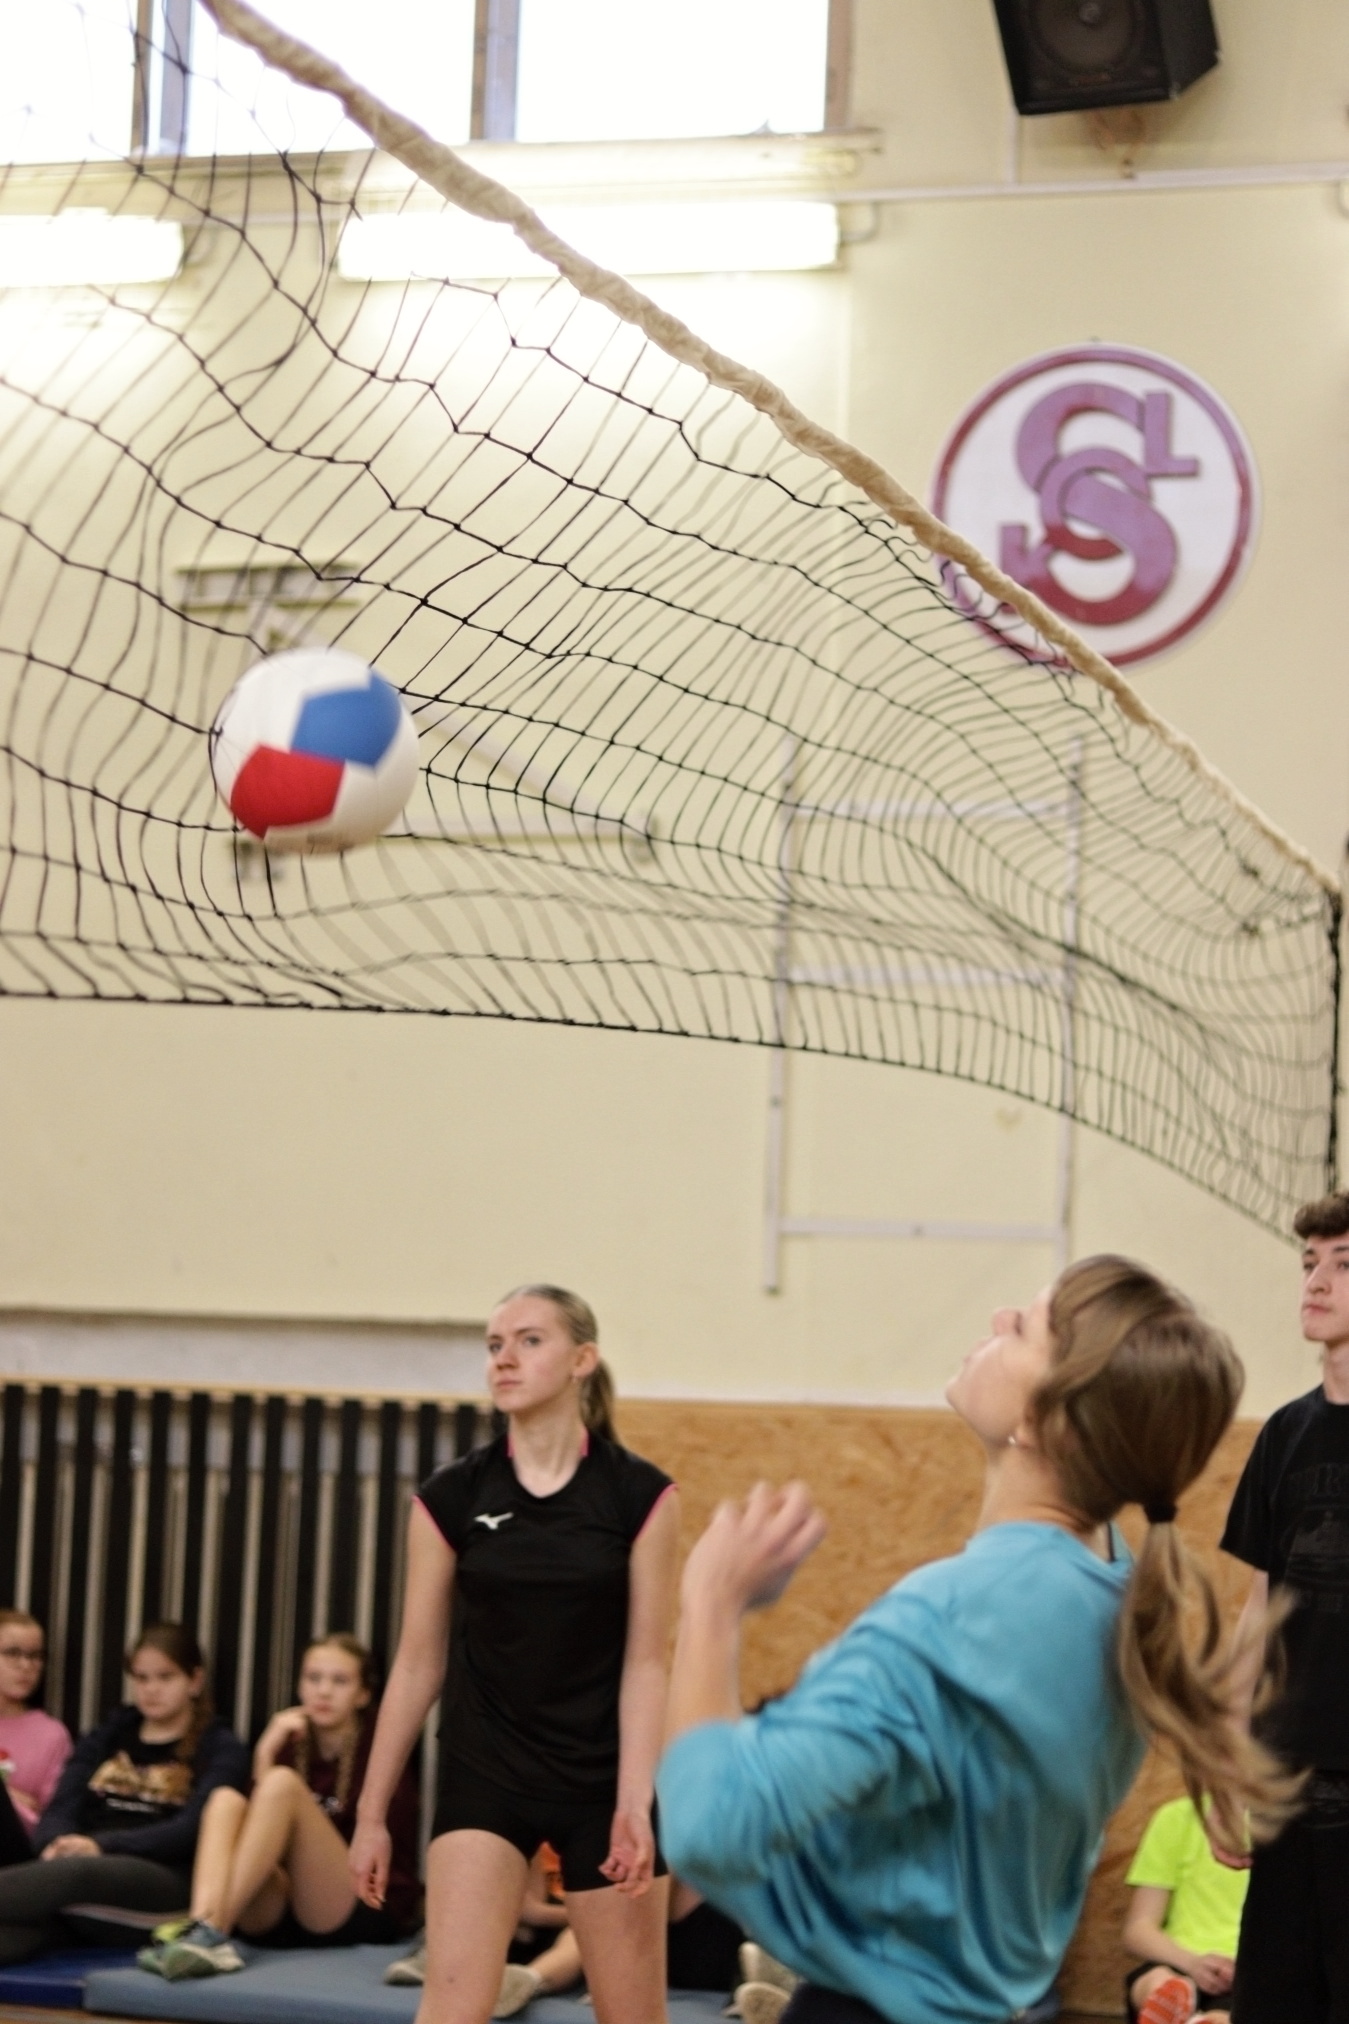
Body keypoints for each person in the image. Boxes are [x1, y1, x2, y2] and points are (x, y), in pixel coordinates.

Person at [656, 1255, 1292, 2024]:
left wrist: (710, 1605)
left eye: (1022, 1328)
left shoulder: (956, 1614)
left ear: (1045, 1421)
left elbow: (707, 1830)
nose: (996, 1319)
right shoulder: (1115, 1581)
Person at [350, 1284, 680, 2024]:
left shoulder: (640, 1496)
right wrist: (371, 1814)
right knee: (451, 2009)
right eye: (495, 1345)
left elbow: (647, 1663)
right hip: (486, 1771)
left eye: (529, 1341)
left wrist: (633, 1802)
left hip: (600, 1781)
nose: (504, 1358)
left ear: (581, 1360)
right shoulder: (451, 1496)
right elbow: (416, 1662)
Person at [1220, 1188, 1349, 2024]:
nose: (1316, 1281)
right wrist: (1222, 1757)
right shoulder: (1282, 1435)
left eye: (1343, 1264)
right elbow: (1257, 1609)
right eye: (1308, 1263)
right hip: (1286, 1781)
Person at [137, 1632, 419, 1979]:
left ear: (363, 1694)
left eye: (340, 1681)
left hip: (359, 1906)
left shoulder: (381, 1744)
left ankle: (209, 1932)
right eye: (313, 1678)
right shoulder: (290, 1741)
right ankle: (200, 1926)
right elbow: (254, 1834)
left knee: (282, 1783)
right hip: (283, 1910)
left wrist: (279, 1783)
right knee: (226, 1800)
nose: (324, 1691)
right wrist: (265, 1753)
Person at [0, 1623, 247, 1964]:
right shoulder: (109, 1734)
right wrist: (55, 1841)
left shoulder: (220, 1747)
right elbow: (62, 1803)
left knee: (77, 1872)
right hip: (79, 1877)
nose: (151, 1689)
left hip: (161, 1879)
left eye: (165, 1678)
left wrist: (100, 1846)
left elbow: (187, 1832)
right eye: (141, 1678)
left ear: (194, 1680)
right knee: (26, 1926)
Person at [1123, 1794, 1248, 2024]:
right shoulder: (1177, 1817)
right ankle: (1172, 2007)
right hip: (1180, 1961)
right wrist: (1192, 1963)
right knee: (1156, 1981)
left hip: (1253, 1976)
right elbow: (1138, 1929)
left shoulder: (1295, 1828)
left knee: (1234, 2012)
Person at [0, 1611, 71, 1860]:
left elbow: (50, 1821)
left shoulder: (52, 1735)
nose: (26, 1666)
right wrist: (12, 1797)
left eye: (35, 1656)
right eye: (12, 1653)